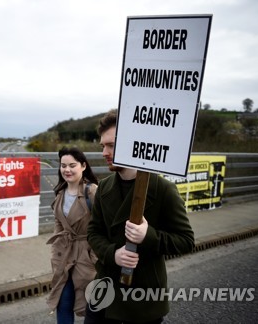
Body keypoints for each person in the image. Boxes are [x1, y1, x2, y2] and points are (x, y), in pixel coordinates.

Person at [84, 109, 195, 324]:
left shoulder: (163, 189)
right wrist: (113, 254)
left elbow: (186, 241)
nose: (104, 152)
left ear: (134, 144)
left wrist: (148, 236)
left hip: (142, 300)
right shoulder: (104, 187)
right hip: (103, 290)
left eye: (111, 145)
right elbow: (93, 232)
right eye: (103, 146)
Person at [47, 147, 99, 323]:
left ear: (83, 166)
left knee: (89, 306)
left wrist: (94, 255)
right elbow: (58, 225)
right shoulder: (60, 192)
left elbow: (103, 225)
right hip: (64, 255)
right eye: (63, 166)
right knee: (63, 302)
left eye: (72, 165)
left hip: (86, 256)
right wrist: (55, 251)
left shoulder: (91, 191)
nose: (66, 170)